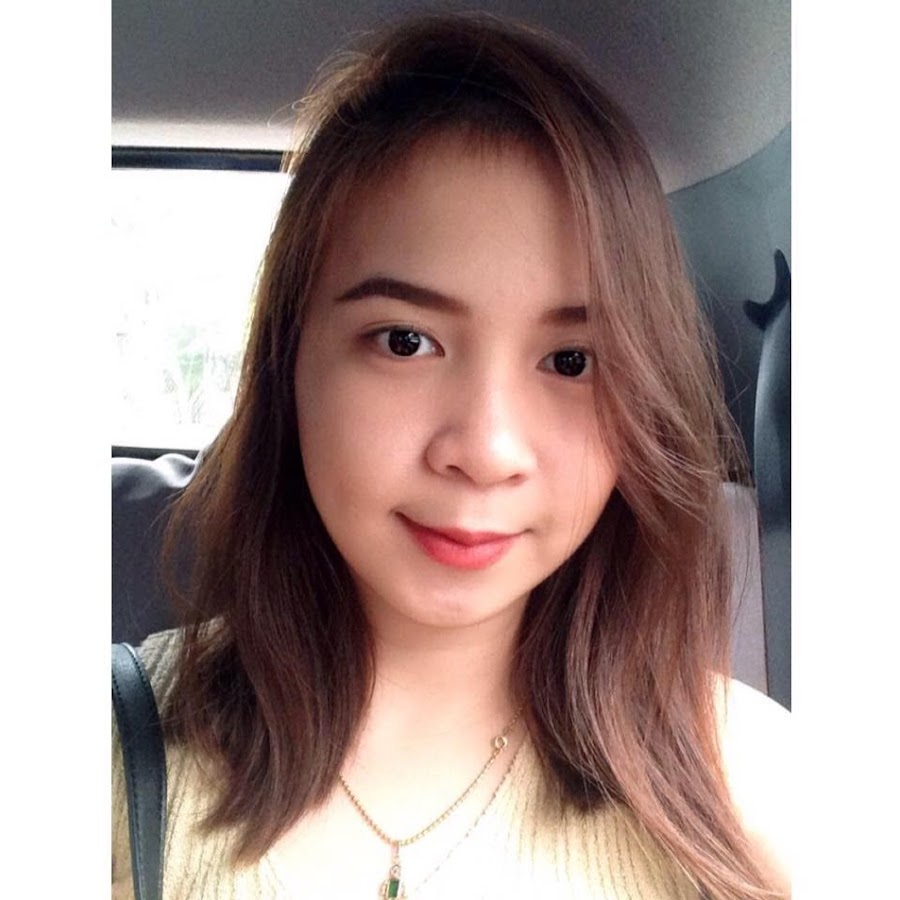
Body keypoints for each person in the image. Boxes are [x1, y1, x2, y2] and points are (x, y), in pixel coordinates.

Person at [112, 12, 790, 899]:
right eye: (405, 341)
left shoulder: (754, 782)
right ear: (289, 365)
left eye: (572, 361)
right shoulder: (110, 760)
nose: (487, 451)